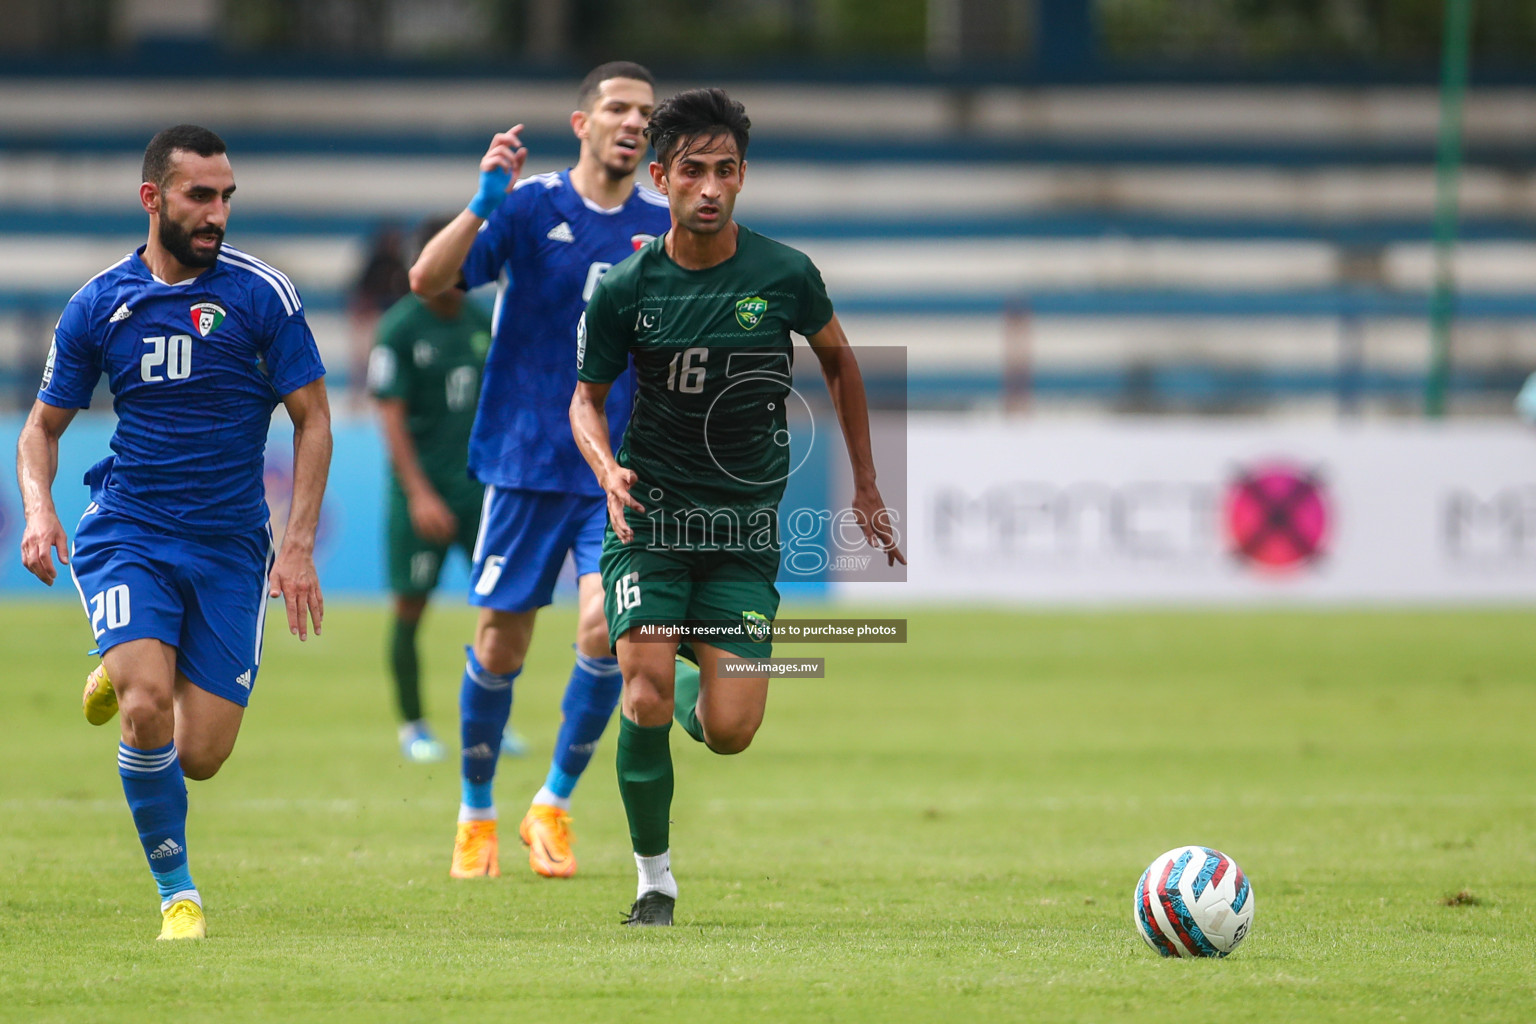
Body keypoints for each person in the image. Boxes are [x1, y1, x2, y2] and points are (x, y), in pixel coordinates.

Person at [572, 87, 904, 925]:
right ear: (660, 178)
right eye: (693, 171)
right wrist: (607, 467)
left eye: (726, 171)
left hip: (743, 532)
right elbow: (583, 400)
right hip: (649, 521)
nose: (710, 186)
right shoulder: (624, 288)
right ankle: (655, 880)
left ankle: (687, 664)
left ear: (743, 177)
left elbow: (842, 367)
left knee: (730, 731)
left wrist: (867, 482)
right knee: (640, 691)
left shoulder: (785, 274)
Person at [15, 124, 331, 940]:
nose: (217, 211)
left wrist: (294, 547)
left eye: (226, 196)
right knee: (149, 707)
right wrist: (40, 508)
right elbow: (40, 431)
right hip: (130, 530)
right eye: (200, 195)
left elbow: (315, 420)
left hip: (229, 546)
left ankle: (122, 669)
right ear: (153, 198)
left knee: (200, 755)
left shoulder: (264, 296)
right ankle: (177, 894)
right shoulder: (100, 304)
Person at [409, 61, 671, 879]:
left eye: (646, 114)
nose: (635, 123)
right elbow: (427, 281)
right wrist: (482, 201)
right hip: (524, 461)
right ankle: (476, 812)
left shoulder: (664, 223)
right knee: (500, 647)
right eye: (620, 109)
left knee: (608, 629)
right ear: (582, 122)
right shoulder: (530, 207)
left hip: (617, 471)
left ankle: (553, 804)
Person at [368, 216, 493, 762]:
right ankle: (414, 725)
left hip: (482, 491)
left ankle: (490, 719)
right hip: (422, 495)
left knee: (502, 608)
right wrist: (420, 495)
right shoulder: (399, 329)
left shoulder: (485, 319)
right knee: (411, 607)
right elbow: (390, 419)